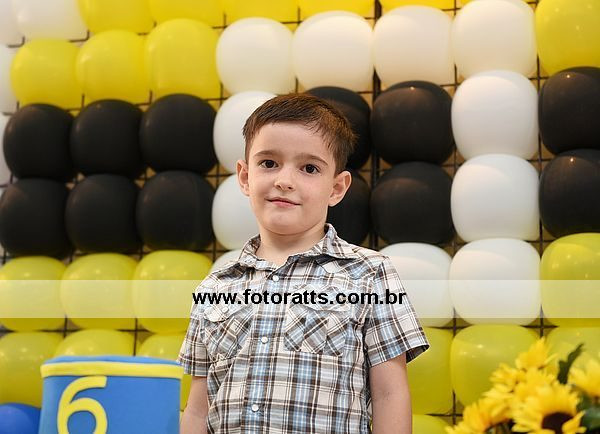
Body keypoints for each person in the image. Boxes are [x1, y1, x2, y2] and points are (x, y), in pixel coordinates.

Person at [178, 93, 430, 434]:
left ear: (337, 188)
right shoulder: (215, 286)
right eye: (269, 163)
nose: (284, 180)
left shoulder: (370, 275)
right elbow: (197, 408)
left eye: (309, 168)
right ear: (244, 176)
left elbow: (390, 394)